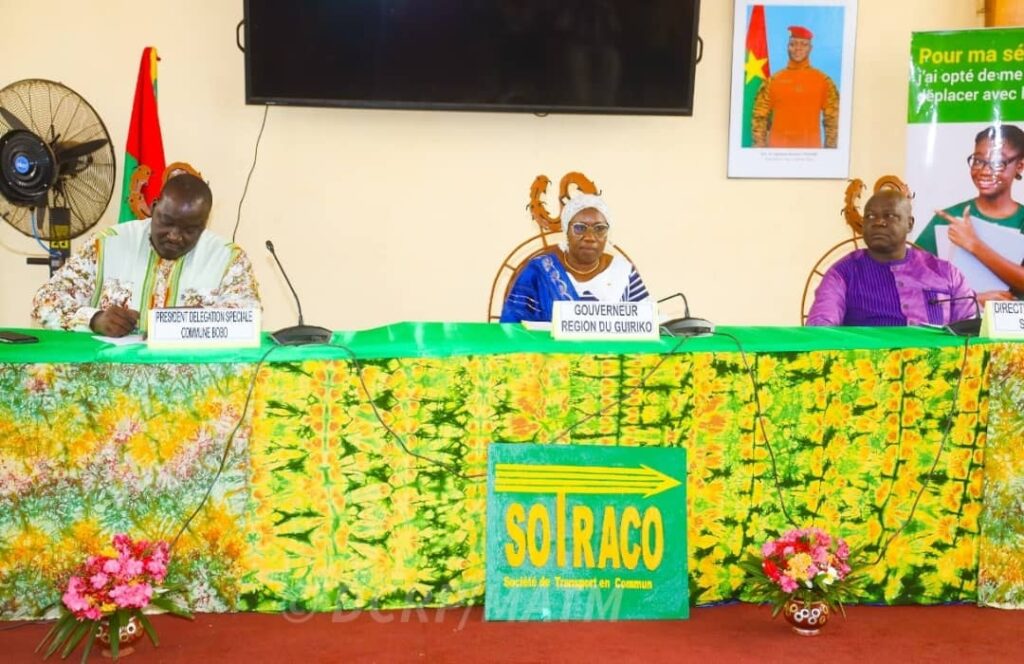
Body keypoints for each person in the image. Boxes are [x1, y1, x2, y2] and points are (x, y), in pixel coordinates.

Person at [32, 173, 261, 337]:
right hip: (108, 382)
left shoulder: (229, 260)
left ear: (204, 225)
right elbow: (44, 301)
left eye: (189, 230)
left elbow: (248, 320)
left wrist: (187, 323)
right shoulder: (106, 245)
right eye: (167, 222)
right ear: (153, 207)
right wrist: (94, 319)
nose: (174, 236)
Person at [807, 189, 976, 327]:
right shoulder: (843, 273)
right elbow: (820, 330)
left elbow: (971, 332)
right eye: (870, 216)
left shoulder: (946, 273)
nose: (878, 222)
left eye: (890, 216)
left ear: (909, 224)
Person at [914, 124, 1024, 302]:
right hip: (959, 319)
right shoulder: (949, 219)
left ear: (1020, 166)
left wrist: (974, 245)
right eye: (978, 161)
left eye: (998, 163)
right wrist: (971, 299)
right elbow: (912, 280)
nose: (985, 171)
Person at [499, 193, 649, 323]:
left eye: (600, 229)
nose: (590, 237)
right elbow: (513, 331)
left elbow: (647, 325)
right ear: (566, 231)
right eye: (580, 228)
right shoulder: (538, 271)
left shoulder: (623, 271)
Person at [751, 25, 839, 149]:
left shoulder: (824, 82)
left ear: (810, 48)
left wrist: (830, 152)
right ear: (787, 47)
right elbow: (759, 117)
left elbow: (833, 120)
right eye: (793, 44)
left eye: (804, 44)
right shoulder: (772, 81)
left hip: (811, 154)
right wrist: (760, 150)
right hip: (777, 154)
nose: (798, 48)